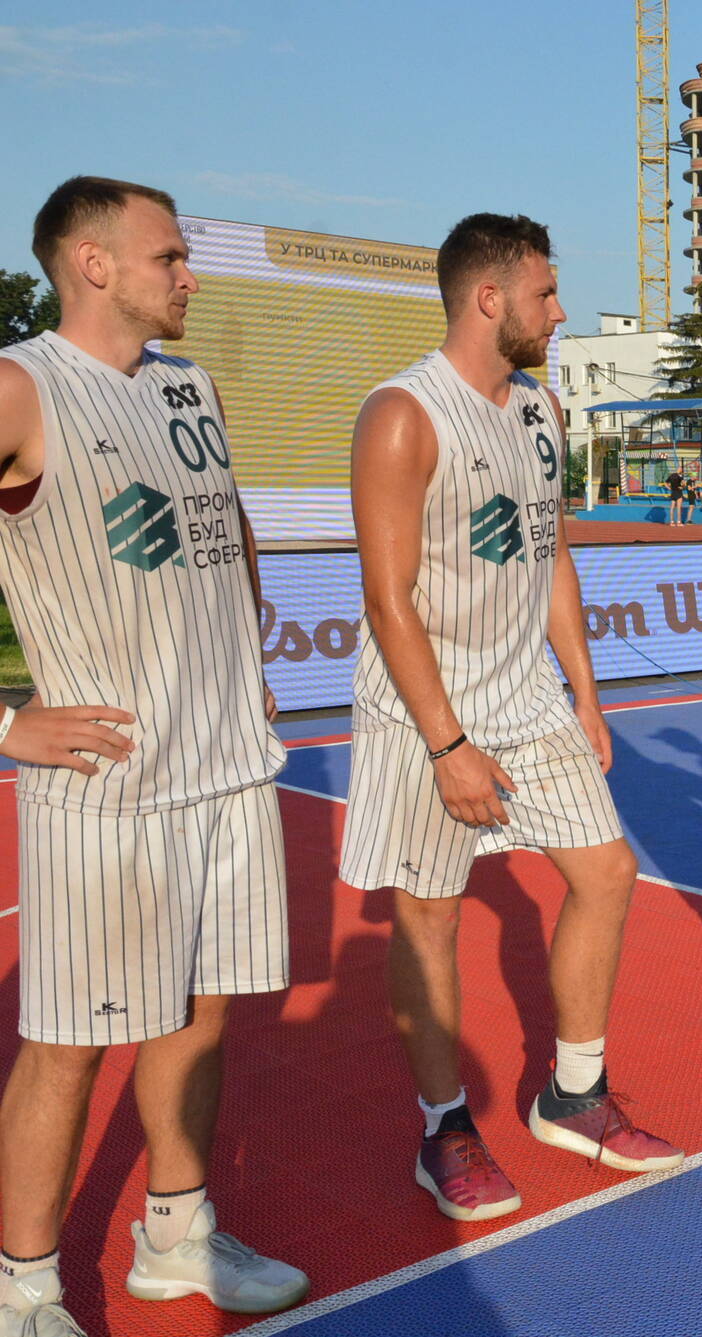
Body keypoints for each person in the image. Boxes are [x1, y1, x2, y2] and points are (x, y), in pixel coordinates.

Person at [0, 176, 309, 1333]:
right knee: (67, 1045)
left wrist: (247, 653)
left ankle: (175, 1234)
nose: (189, 273)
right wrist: (6, 722)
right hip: (108, 780)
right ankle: (21, 1285)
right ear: (91, 265)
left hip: (222, 766)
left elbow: (222, 525)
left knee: (198, 1014)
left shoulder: (189, 386)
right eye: (168, 255)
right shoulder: (21, 384)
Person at [342, 213, 683, 1225]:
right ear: (488, 297)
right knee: (432, 914)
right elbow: (386, 597)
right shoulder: (403, 413)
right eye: (545, 290)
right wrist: (447, 744)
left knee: (607, 869)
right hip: (424, 704)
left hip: (525, 689)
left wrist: (585, 690)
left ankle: (572, 1092)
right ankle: (443, 1123)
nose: (560, 307)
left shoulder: (539, 406)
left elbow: (552, 553)